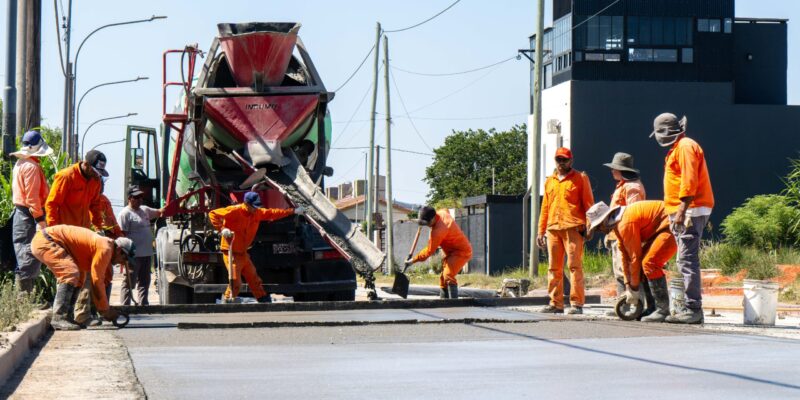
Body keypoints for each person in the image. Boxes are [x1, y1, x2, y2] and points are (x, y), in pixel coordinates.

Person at [651, 113, 714, 324]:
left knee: (687, 260)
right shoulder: (678, 148)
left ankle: (693, 308)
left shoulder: (686, 146)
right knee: (684, 259)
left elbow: (689, 179)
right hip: (687, 208)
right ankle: (691, 307)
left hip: (690, 209)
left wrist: (681, 210)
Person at [45, 149, 109, 326]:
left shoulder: (95, 182)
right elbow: (52, 204)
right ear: (86, 164)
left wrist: (98, 227)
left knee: (83, 273)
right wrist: (53, 231)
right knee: (68, 272)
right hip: (64, 234)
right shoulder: (66, 177)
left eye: (100, 174)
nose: (97, 176)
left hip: (82, 234)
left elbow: (95, 206)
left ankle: (80, 315)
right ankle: (59, 316)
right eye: (95, 172)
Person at [586, 200, 677, 322]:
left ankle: (662, 310)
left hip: (671, 224)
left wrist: (634, 288)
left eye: (598, 227)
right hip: (662, 226)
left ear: (604, 220)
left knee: (649, 263)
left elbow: (634, 258)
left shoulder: (625, 223)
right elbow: (624, 255)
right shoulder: (618, 225)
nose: (599, 231)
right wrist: (628, 284)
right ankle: (652, 308)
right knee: (645, 263)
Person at [30, 225, 135, 330]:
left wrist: (104, 307)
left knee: (80, 278)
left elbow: (99, 279)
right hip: (46, 240)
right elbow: (97, 281)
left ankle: (67, 317)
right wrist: (105, 310)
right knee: (69, 273)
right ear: (119, 249)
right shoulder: (106, 248)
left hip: (50, 241)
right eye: (124, 258)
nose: (122, 262)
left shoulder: (105, 247)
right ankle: (58, 317)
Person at [208, 192, 301, 303]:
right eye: (254, 207)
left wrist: (293, 211)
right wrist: (222, 229)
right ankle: (227, 300)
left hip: (243, 253)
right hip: (231, 252)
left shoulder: (257, 213)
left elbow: (273, 213)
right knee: (235, 282)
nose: (256, 209)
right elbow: (212, 214)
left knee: (253, 278)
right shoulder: (234, 210)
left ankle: (262, 298)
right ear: (246, 204)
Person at [537, 147, 594, 314]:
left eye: (564, 160)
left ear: (571, 161)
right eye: (558, 160)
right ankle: (556, 303)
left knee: (574, 266)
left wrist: (590, 226)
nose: (561, 163)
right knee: (554, 268)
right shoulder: (550, 181)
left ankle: (577, 304)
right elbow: (545, 208)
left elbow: (589, 204)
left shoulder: (580, 178)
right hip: (553, 229)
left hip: (573, 228)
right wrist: (540, 231)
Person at [602, 152, 647, 316]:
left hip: (628, 235)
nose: (612, 171)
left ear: (622, 170)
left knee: (629, 270)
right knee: (620, 271)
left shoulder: (632, 187)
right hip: (619, 235)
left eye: (614, 168)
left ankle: (634, 305)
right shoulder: (623, 185)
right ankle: (624, 304)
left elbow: (633, 213)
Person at [10, 131, 52, 297]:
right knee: (29, 254)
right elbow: (32, 198)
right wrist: (41, 220)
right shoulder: (32, 167)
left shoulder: (21, 163)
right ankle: (24, 299)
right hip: (28, 214)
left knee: (25, 253)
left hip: (22, 214)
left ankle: (24, 298)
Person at [404, 206, 473, 299]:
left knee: (448, 275)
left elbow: (429, 251)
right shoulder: (441, 213)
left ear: (432, 218)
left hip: (461, 252)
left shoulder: (438, 231)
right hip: (451, 252)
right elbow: (446, 209)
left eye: (427, 223)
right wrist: (421, 221)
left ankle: (455, 304)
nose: (427, 225)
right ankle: (443, 303)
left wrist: (413, 260)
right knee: (443, 279)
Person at [118, 185, 163, 306]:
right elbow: (122, 236)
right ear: (129, 198)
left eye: (141, 197)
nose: (139, 199)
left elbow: (160, 212)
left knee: (145, 281)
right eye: (136, 197)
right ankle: (125, 306)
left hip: (146, 254)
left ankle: (144, 305)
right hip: (133, 255)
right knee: (129, 282)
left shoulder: (145, 210)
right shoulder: (125, 214)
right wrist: (125, 255)